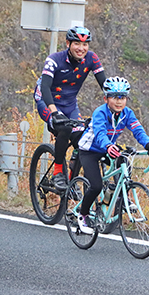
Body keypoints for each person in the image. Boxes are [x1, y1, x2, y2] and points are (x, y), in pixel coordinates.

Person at [76, 76, 149, 234]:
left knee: (124, 160)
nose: (119, 101)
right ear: (106, 98)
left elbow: (137, 130)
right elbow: (100, 133)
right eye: (114, 97)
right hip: (90, 150)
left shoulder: (127, 113)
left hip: (108, 148)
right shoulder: (100, 113)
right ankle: (83, 215)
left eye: (122, 97)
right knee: (95, 186)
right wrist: (107, 145)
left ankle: (122, 197)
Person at [33, 26, 107, 191]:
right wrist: (54, 112)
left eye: (85, 44)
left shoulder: (91, 58)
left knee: (82, 137)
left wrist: (115, 105)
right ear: (68, 43)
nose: (81, 48)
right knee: (64, 128)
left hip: (69, 103)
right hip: (47, 100)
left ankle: (72, 178)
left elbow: (105, 85)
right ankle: (58, 171)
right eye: (76, 44)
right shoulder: (54, 60)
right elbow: (45, 87)